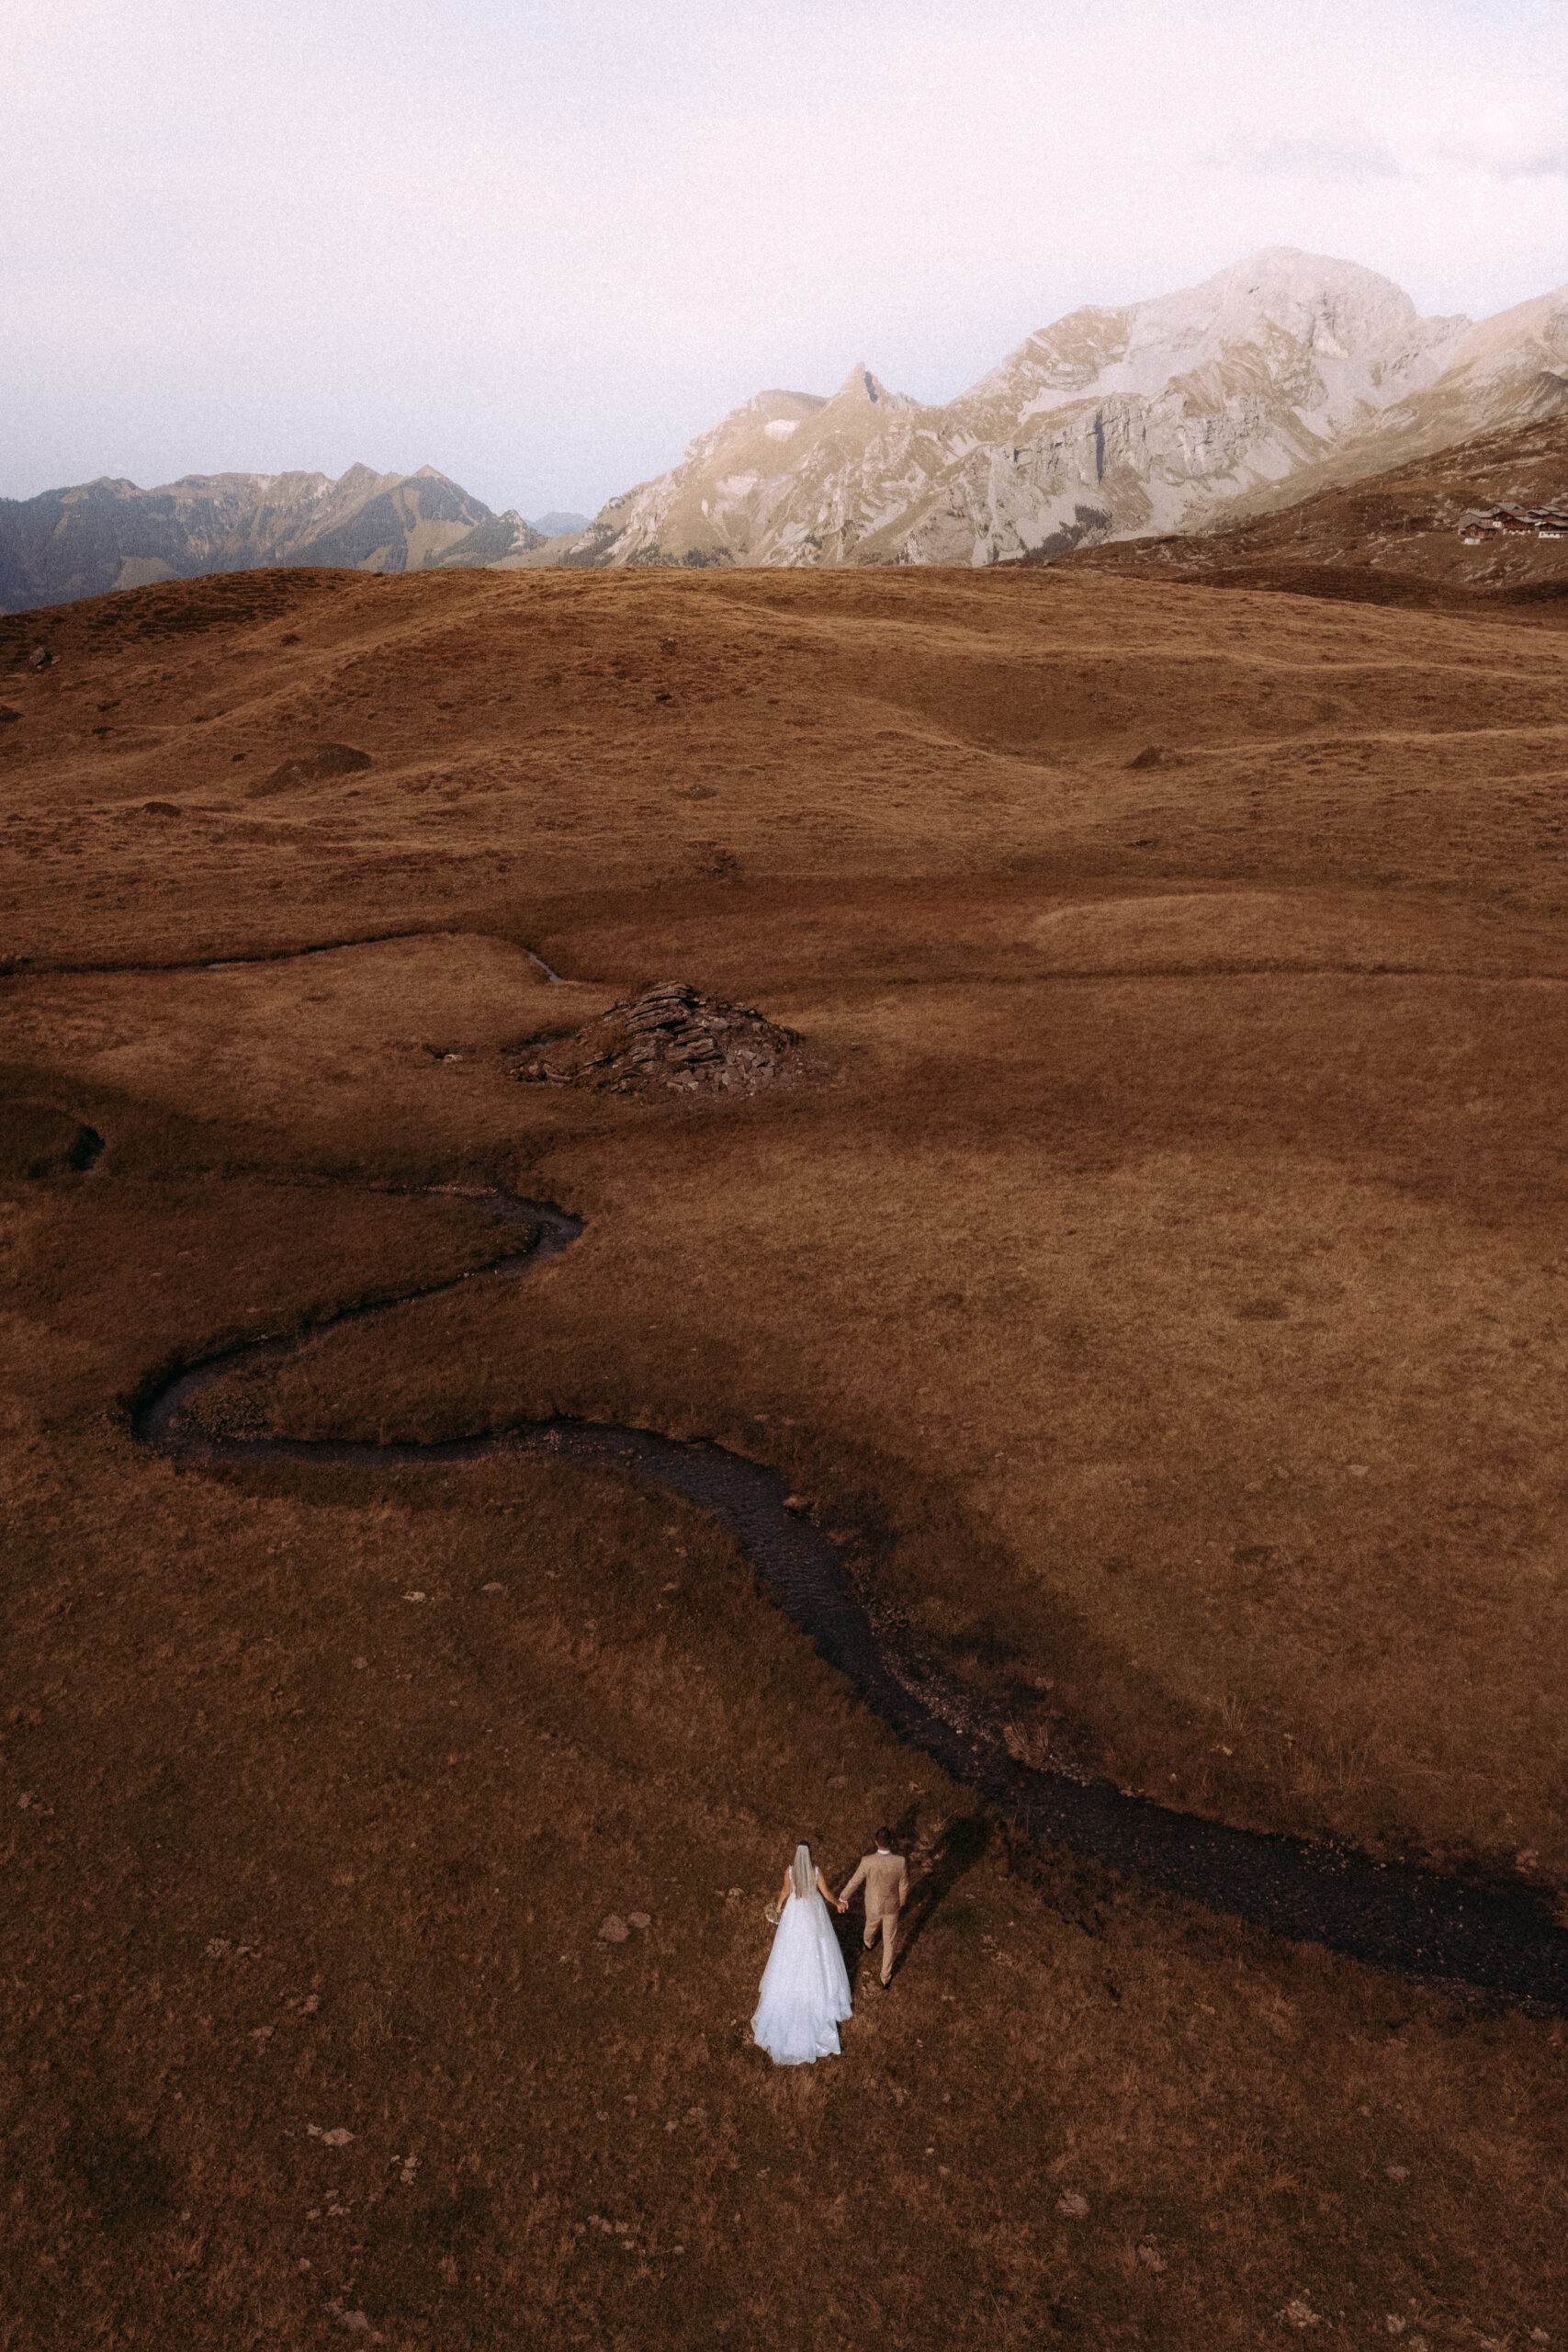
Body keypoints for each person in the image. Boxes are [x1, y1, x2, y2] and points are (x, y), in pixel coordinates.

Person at [751, 1842, 853, 2065]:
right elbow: (826, 1894)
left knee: (790, 1950)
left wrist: (779, 1906)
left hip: (795, 1914)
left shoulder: (790, 1872)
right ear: (810, 1855)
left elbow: (785, 1891)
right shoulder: (816, 1872)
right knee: (818, 1949)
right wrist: (837, 1903)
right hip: (813, 1914)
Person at [838, 1828, 909, 1986]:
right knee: (889, 1941)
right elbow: (904, 1885)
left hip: (873, 1904)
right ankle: (885, 1977)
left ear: (876, 1843)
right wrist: (902, 1901)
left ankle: (868, 1943)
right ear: (891, 1842)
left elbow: (855, 1881)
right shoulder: (900, 1861)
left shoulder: (867, 1861)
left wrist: (843, 1897)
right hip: (892, 1906)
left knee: (870, 1924)